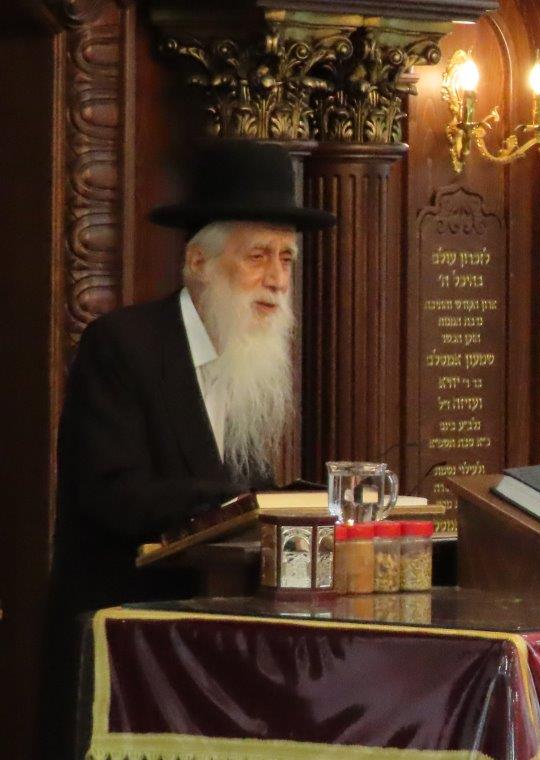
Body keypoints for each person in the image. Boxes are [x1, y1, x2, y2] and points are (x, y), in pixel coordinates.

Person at [40, 141, 335, 757]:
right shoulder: (123, 345)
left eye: (286, 258)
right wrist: (241, 503)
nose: (278, 279)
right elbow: (111, 493)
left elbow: (242, 494)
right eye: (258, 256)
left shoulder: (246, 361)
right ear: (197, 261)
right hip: (126, 642)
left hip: (212, 655)